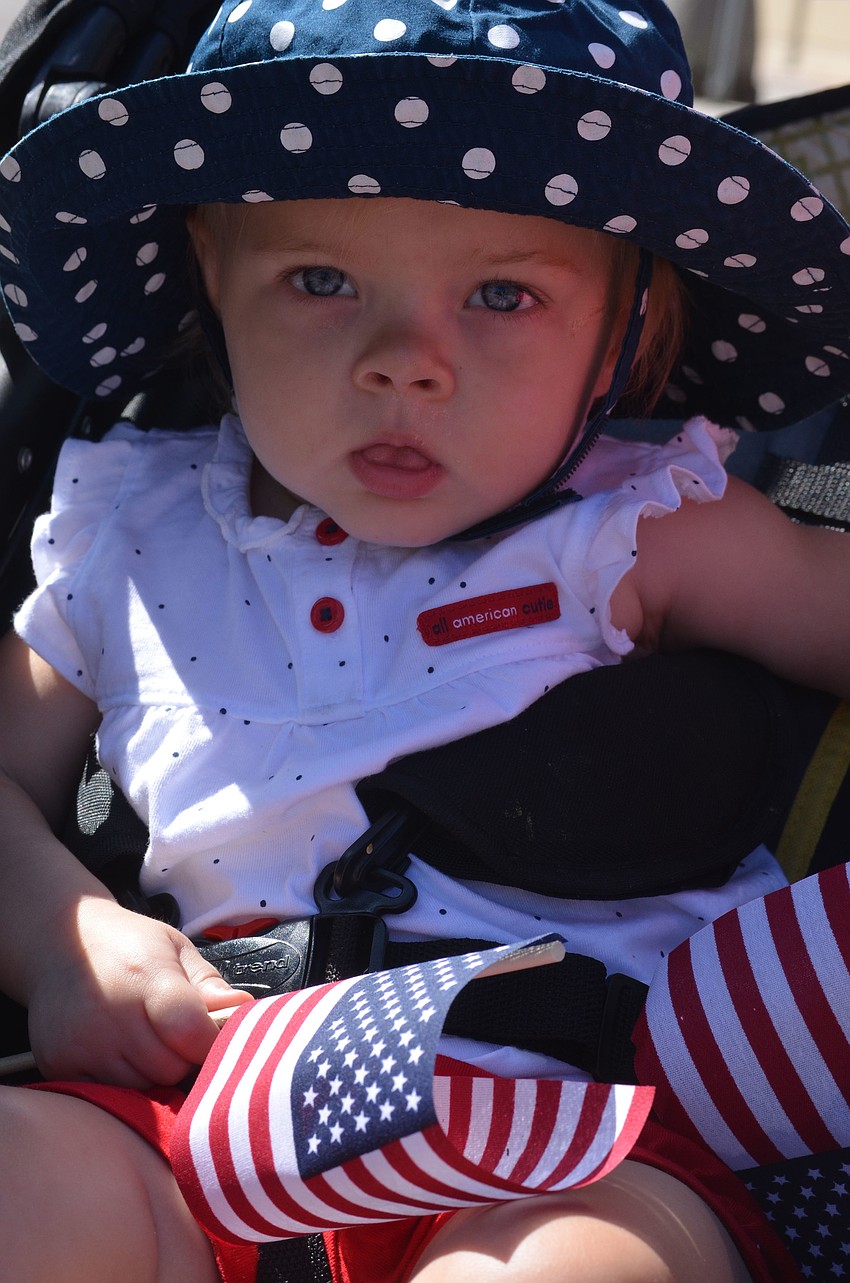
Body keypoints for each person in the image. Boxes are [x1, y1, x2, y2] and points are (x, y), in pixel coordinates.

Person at [0, 1, 848, 1280]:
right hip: (200, 1113)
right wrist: (60, 930)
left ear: (629, 335)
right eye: (321, 280)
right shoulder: (128, 531)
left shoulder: (640, 529)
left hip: (577, 1129)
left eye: (503, 294)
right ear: (211, 279)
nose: (405, 362)